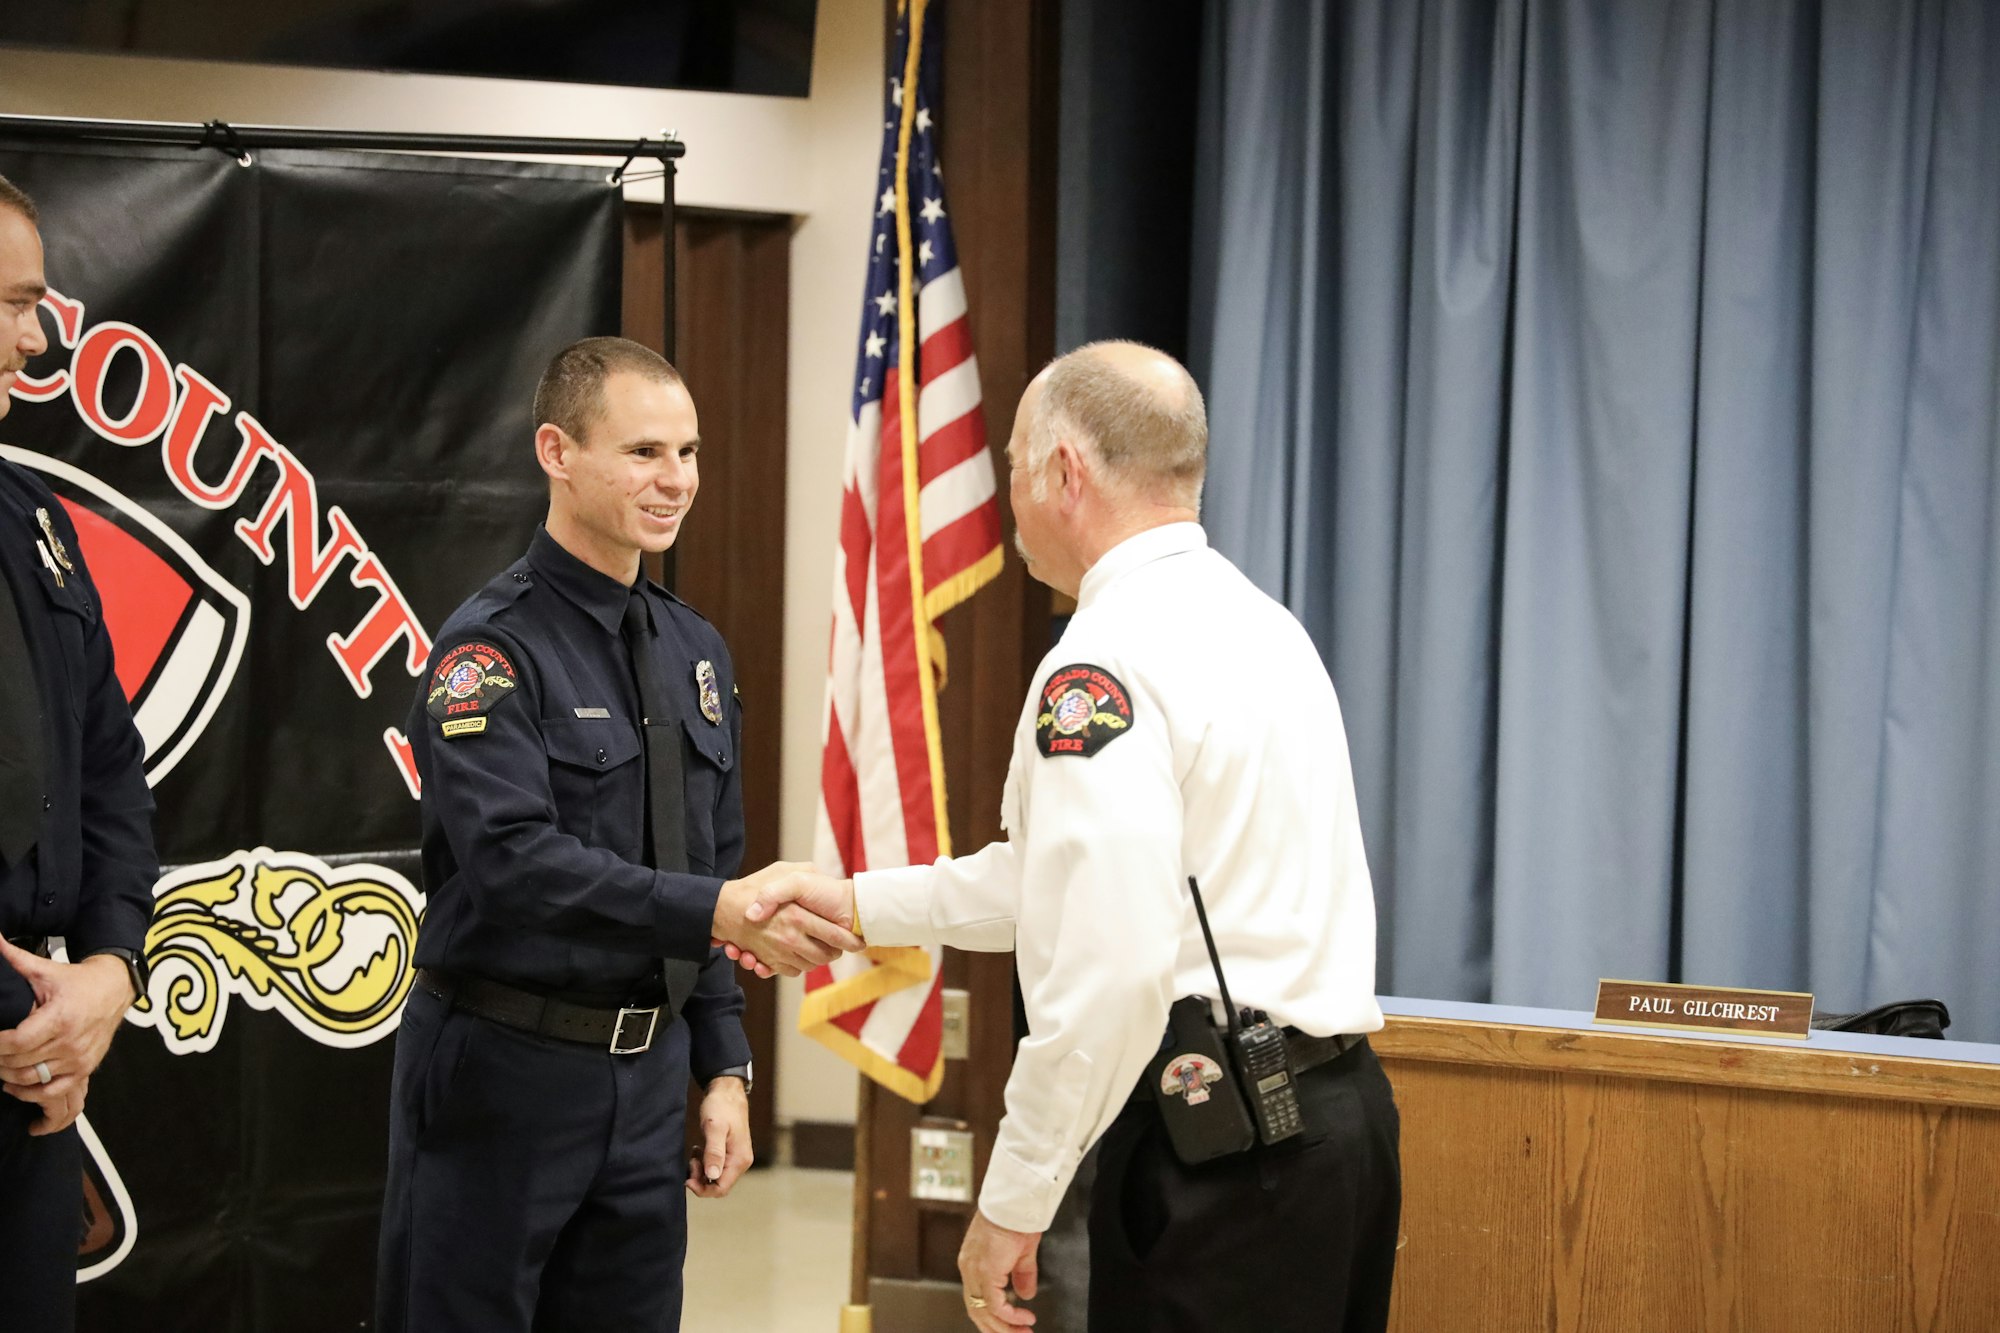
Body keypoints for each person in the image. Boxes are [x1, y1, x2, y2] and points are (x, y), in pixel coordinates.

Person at [734, 342, 1402, 1332]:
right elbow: (1064, 882)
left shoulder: (1100, 665)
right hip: (1337, 1127)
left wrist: (1013, 1201)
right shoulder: (1266, 626)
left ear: (1062, 472)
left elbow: (1107, 966)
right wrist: (861, 903)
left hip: (1220, 1151)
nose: (1006, 499)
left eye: (1007, 464)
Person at [375, 336, 860, 1332]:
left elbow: (709, 866)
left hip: (645, 1081)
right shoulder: (489, 651)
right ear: (556, 451)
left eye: (686, 453)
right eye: (643, 452)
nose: (673, 480)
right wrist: (716, 911)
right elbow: (514, 863)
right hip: (503, 1071)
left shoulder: (695, 651)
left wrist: (722, 1066)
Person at [0, 173, 158, 1332]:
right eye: (9, 303)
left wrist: (108, 970)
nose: (37, 333)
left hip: (40, 1062)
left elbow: (110, 767)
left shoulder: (38, 523)